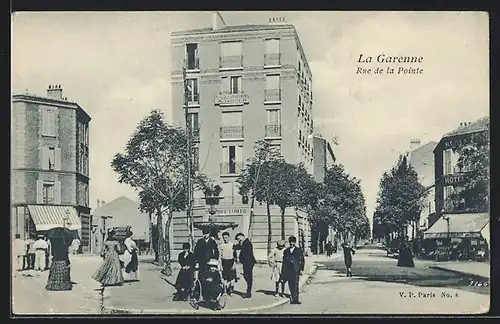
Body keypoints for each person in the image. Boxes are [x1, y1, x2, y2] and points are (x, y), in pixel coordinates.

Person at [281, 236, 305, 304]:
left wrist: (301, 269)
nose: (291, 243)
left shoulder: (298, 250)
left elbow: (302, 260)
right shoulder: (286, 251)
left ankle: (296, 299)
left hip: (295, 269)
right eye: (290, 242)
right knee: (290, 284)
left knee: (295, 284)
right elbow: (284, 261)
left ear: (295, 242)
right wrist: (283, 271)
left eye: (293, 242)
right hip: (288, 270)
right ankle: (292, 296)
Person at [235, 232, 256, 298]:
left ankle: (248, 293)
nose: (239, 240)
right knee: (246, 276)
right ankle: (248, 292)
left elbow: (246, 254)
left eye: (239, 238)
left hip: (248, 263)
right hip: (247, 263)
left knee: (248, 277)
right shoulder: (244, 243)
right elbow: (238, 247)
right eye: (238, 239)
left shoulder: (247, 243)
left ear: (243, 237)